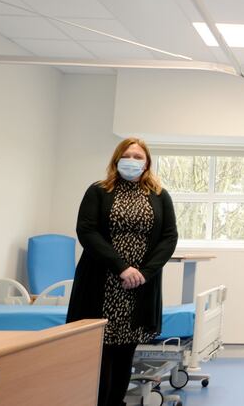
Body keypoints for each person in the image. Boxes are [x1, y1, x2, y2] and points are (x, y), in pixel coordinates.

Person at [67, 137, 178, 406]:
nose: (133, 160)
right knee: (101, 355)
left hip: (139, 288)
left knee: (125, 354)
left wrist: (143, 273)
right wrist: (122, 268)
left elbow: (169, 236)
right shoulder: (98, 191)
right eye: (127, 155)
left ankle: (116, 402)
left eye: (139, 156)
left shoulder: (160, 195)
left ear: (147, 162)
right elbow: (87, 231)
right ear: (117, 159)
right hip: (102, 283)